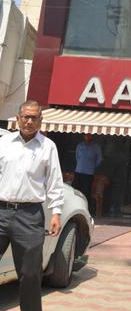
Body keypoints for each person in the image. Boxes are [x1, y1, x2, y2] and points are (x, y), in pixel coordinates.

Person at [0, 99, 63, 311]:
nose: (29, 121)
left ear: (40, 120)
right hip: (0, 211)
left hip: (29, 217)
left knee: (30, 274)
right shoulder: (4, 143)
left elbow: (55, 181)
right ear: (18, 118)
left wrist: (56, 213)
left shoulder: (48, 146)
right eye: (25, 117)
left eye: (34, 118)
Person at [74, 133, 102, 210]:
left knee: (86, 191)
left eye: (89, 135)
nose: (87, 136)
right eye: (86, 135)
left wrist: (92, 166)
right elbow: (77, 157)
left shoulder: (96, 147)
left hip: (89, 173)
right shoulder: (80, 145)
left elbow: (99, 160)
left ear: (91, 136)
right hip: (79, 171)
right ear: (83, 136)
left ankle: (85, 208)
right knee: (76, 190)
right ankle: (75, 207)